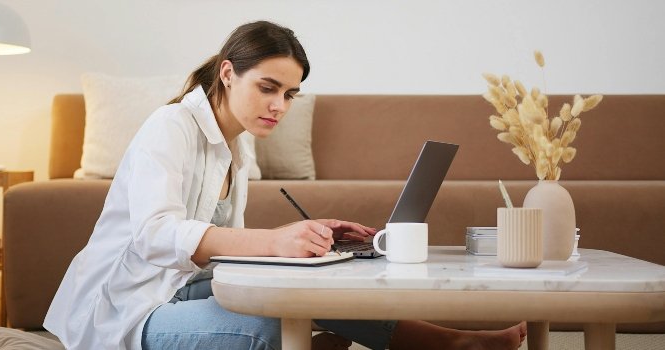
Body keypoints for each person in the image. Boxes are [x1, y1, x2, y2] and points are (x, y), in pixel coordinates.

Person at [44, 20, 527, 350]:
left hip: (180, 287)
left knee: (318, 283)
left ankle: (452, 342)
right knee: (266, 327)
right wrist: (276, 241)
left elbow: (218, 247)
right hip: (123, 310)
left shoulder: (237, 143)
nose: (279, 105)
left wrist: (305, 242)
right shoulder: (170, 126)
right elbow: (155, 235)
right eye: (268, 88)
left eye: (290, 94)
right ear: (229, 73)